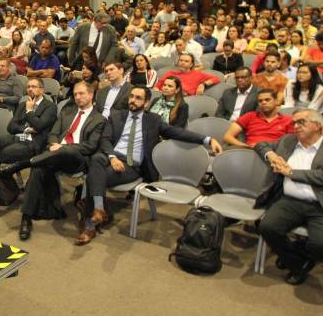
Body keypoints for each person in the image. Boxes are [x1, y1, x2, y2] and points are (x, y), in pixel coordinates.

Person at [75, 86, 223, 245]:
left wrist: (208, 140)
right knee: (97, 158)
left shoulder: (154, 120)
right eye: (131, 96)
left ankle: (90, 224)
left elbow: (177, 132)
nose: (132, 100)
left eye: (138, 98)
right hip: (111, 159)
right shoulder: (116, 115)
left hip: (132, 166)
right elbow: (105, 139)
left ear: (146, 103)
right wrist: (112, 157)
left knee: (92, 178)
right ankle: (98, 210)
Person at [10, 82, 106, 239]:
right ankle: (26, 218)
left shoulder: (99, 119)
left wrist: (62, 148)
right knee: (39, 169)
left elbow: (89, 146)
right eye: (75, 94)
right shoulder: (67, 112)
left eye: (81, 93)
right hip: (54, 154)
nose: (78, 97)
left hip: (77, 158)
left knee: (59, 153)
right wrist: (55, 144)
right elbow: (53, 134)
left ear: (91, 95)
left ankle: (26, 162)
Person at [255, 109, 323, 285]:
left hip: (321, 204)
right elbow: (260, 145)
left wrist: (292, 172)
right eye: (294, 123)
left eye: (301, 122)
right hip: (289, 201)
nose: (295, 126)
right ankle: (298, 264)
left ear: (317, 125)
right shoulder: (288, 141)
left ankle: (300, 253)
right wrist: (271, 155)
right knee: (267, 227)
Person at [0, 78, 57, 215]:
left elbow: (40, 126)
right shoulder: (23, 105)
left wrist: (29, 113)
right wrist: (27, 128)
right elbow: (11, 127)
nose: (30, 89)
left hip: (33, 143)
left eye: (34, 86)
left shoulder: (50, 107)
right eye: (28, 86)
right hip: (19, 136)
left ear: (42, 89)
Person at [222, 89, 294, 148]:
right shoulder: (250, 116)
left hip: (275, 152)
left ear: (276, 101)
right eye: (260, 101)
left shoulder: (288, 120)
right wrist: (246, 147)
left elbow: (291, 143)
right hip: (251, 152)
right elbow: (227, 136)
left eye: (267, 100)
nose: (263, 103)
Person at [154, 53, 220, 96]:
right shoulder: (170, 73)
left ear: (191, 64)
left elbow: (217, 79)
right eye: (181, 60)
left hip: (185, 100)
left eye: (186, 61)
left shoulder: (198, 74)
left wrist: (203, 84)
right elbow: (157, 87)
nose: (182, 63)